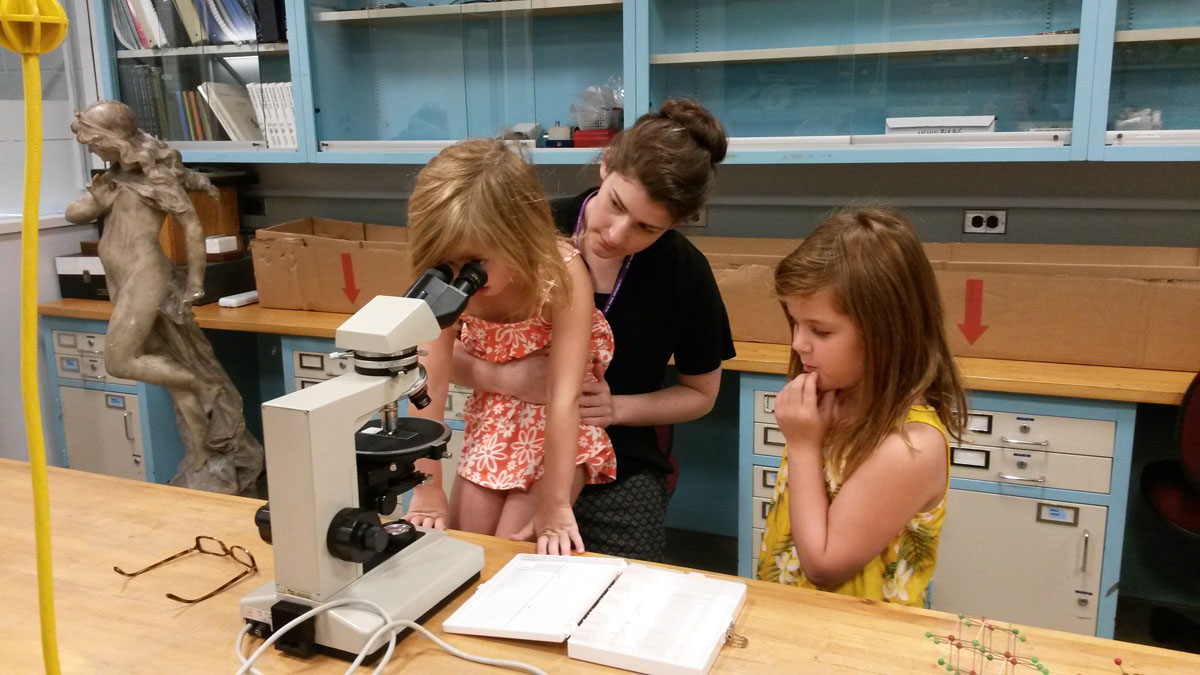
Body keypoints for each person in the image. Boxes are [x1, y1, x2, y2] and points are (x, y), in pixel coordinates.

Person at [449, 99, 736, 561]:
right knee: (482, 558)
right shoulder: (528, 229)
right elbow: (441, 344)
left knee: (622, 591)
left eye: (646, 227)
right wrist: (502, 377)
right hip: (509, 443)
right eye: (616, 205)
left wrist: (615, 408)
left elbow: (701, 393)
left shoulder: (683, 272)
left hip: (621, 464)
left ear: (677, 223)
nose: (619, 234)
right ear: (606, 165)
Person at [401, 138, 616, 556]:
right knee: (465, 545)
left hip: (561, 427)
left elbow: (565, 397)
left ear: (518, 235)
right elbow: (428, 382)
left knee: (510, 551)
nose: (462, 279)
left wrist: (554, 505)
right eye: (448, 266)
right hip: (494, 423)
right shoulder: (445, 278)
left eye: (474, 264)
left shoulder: (561, 274)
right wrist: (426, 488)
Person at [755, 207, 967, 607]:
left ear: (887, 332)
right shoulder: (833, 401)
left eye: (820, 330)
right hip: (799, 623)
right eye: (795, 323)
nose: (799, 343)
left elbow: (823, 564)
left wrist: (803, 446)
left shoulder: (910, 447)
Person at [64, 100, 262, 495]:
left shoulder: (156, 180)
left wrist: (195, 280)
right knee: (172, 375)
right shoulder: (116, 178)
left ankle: (205, 387)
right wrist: (97, 201)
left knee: (120, 361)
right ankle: (202, 456)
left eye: (93, 141)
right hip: (120, 278)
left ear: (113, 139)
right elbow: (74, 213)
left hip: (144, 275)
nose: (91, 149)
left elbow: (191, 226)